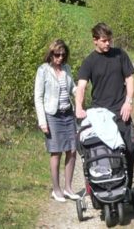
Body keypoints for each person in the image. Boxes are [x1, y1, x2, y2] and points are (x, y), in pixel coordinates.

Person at [75, 23, 134, 188]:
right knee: (98, 152)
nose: (108, 44)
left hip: (120, 110)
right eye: (104, 40)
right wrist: (79, 107)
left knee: (130, 150)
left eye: (109, 40)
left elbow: (130, 78)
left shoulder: (120, 55)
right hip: (100, 114)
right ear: (95, 40)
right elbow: (81, 86)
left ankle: (126, 187)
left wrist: (128, 102)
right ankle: (101, 187)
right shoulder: (89, 61)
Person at [34, 39, 80, 202]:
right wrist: (42, 121)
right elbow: (38, 98)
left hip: (68, 114)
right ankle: (56, 189)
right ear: (51, 54)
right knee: (56, 152)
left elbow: (72, 88)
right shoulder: (43, 70)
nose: (60, 58)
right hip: (52, 116)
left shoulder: (66, 69)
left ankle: (68, 188)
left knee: (72, 150)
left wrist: (79, 90)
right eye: (57, 54)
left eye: (63, 54)